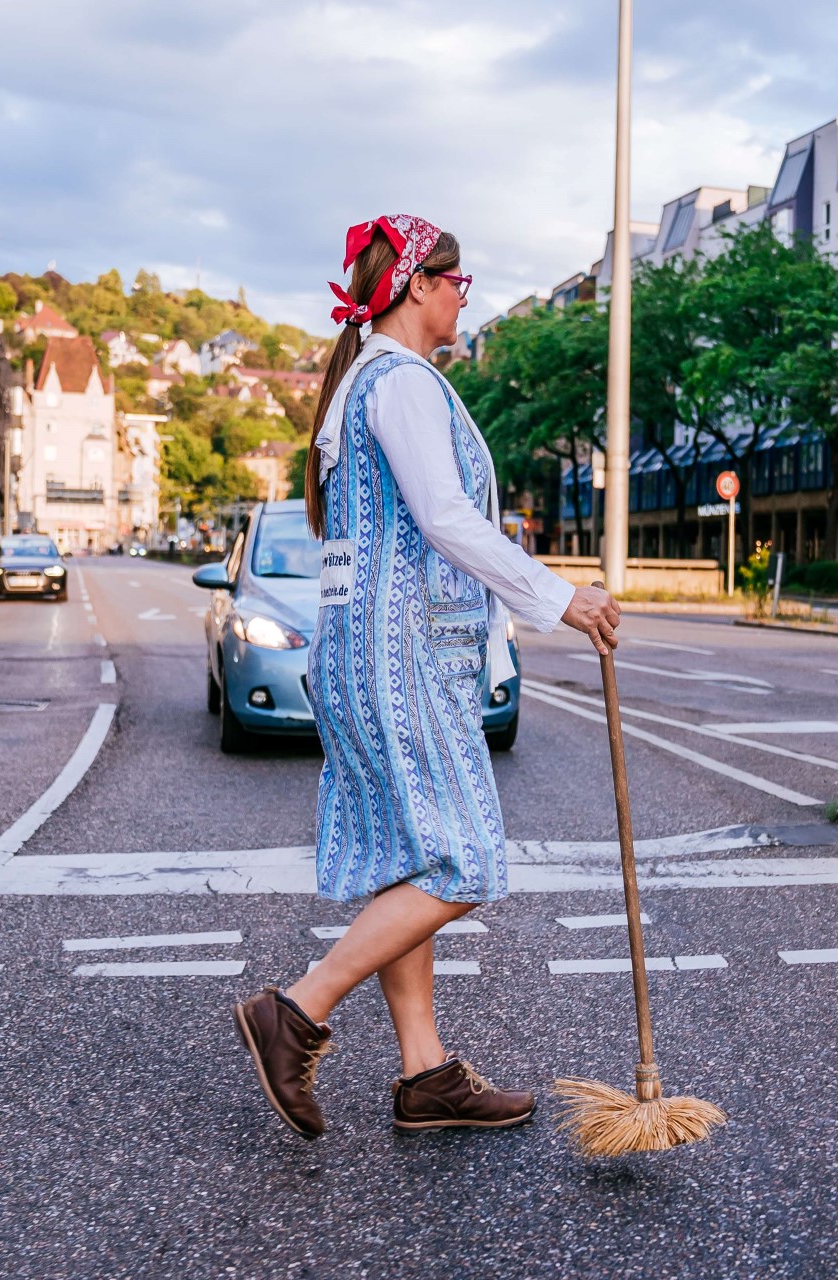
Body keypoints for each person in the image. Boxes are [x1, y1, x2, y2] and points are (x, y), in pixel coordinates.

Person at [233, 216, 621, 1139]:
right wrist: (558, 596)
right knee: (466, 860)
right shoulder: (401, 383)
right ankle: (295, 1012)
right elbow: (446, 517)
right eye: (455, 278)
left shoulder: (370, 380)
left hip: (370, 648)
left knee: (411, 857)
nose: (465, 292)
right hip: (396, 654)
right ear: (415, 285)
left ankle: (424, 1076)